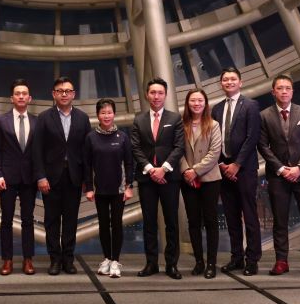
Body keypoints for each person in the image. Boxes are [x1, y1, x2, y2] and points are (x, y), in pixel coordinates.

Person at [257, 74, 300, 280]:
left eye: (287, 88)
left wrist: (299, 167)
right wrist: (281, 169)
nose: (284, 91)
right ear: (273, 92)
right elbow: (262, 145)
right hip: (278, 177)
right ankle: (281, 261)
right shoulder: (264, 116)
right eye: (280, 88)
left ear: (292, 91)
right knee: (279, 221)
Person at [33, 76, 91, 275]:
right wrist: (40, 177)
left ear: (74, 94)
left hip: (74, 177)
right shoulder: (44, 117)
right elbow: (37, 150)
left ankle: (68, 259)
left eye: (68, 91)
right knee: (51, 221)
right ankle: (55, 260)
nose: (64, 94)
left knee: (71, 221)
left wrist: (87, 181)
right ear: (54, 94)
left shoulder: (83, 118)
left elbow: (87, 152)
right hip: (50, 178)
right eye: (60, 91)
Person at [131, 77, 185, 280]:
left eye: (160, 93)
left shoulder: (175, 118)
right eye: (153, 92)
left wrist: (163, 169)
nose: (156, 96)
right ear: (147, 95)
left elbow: (179, 147)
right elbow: (135, 147)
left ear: (165, 95)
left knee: (171, 222)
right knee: (149, 223)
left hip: (169, 178)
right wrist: (150, 169)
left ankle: (172, 264)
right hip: (147, 179)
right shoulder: (139, 120)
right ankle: (151, 263)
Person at [211, 67, 262, 276]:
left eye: (233, 79)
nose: (229, 82)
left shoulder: (250, 105)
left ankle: (252, 260)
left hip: (245, 169)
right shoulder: (216, 108)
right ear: (221, 84)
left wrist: (237, 164)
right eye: (225, 79)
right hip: (223, 169)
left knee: (249, 216)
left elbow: (252, 137)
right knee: (231, 216)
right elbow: (214, 139)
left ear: (240, 82)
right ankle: (236, 257)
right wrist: (222, 164)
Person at [84, 99, 134, 278]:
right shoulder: (91, 137)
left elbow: (129, 163)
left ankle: (115, 261)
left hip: (119, 190)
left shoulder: (122, 137)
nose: (106, 116)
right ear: (98, 115)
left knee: (117, 224)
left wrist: (129, 186)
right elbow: (87, 165)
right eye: (103, 112)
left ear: (114, 114)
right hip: (100, 190)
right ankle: (106, 258)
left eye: (109, 112)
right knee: (103, 224)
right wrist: (89, 188)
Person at [0, 79, 37, 275]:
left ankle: (28, 259)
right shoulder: (1, 121)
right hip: (7, 178)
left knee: (28, 220)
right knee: (6, 220)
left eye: (24, 93)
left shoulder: (37, 121)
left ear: (30, 98)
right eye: (17, 93)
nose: (21, 96)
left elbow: (39, 152)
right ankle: (7, 260)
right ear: (11, 98)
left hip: (30, 178)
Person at [179, 89, 221, 279]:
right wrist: (186, 171)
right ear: (188, 103)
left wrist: (195, 171)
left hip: (209, 179)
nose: (196, 104)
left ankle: (211, 263)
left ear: (205, 103)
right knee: (193, 222)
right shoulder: (181, 125)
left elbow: (215, 153)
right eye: (193, 101)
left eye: (200, 100)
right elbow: (177, 151)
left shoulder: (213, 125)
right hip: (188, 180)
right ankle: (199, 262)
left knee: (211, 221)